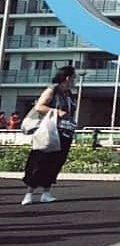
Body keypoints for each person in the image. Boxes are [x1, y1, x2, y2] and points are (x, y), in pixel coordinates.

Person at [21, 66, 78, 205]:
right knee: (40, 160)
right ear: (67, 77)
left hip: (64, 132)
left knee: (56, 162)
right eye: (74, 77)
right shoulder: (53, 89)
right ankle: (29, 193)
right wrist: (56, 112)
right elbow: (39, 106)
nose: (75, 80)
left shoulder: (69, 93)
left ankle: (46, 192)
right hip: (50, 131)